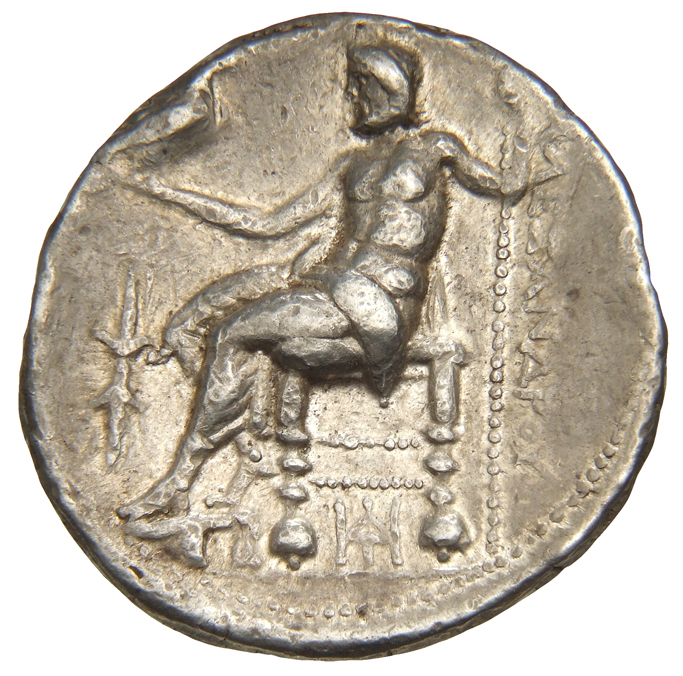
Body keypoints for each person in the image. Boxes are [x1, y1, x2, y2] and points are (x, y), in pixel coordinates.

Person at [118, 43, 541, 523]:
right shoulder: (350, 165)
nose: (353, 98)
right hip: (333, 290)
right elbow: (266, 223)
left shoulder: (437, 148)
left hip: (383, 302)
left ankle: (180, 482)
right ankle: (201, 469)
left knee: (232, 333)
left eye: (360, 86)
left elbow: (507, 185)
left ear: (389, 89)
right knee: (272, 344)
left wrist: (517, 122)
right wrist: (172, 193)